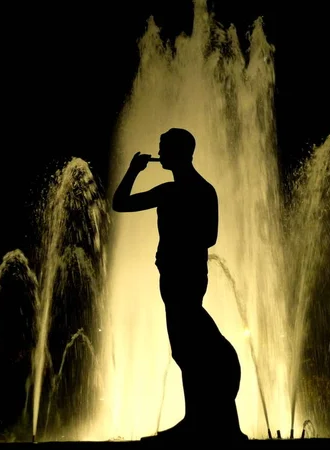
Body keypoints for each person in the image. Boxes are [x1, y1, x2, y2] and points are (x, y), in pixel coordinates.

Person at [112, 128, 247, 442]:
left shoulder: (180, 192)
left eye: (164, 147)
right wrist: (133, 170)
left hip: (183, 274)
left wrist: (133, 172)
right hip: (178, 273)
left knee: (189, 345)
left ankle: (200, 420)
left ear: (180, 152)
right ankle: (200, 418)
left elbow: (209, 236)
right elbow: (120, 204)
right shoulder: (189, 190)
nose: (161, 152)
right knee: (186, 349)